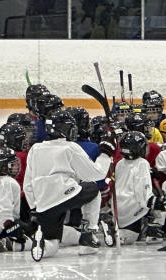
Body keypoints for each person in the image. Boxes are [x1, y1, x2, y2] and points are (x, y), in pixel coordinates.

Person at [24, 110, 115, 261]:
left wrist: (34, 207)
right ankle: (89, 233)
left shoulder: (35, 149)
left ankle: (43, 245)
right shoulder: (70, 147)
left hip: (43, 204)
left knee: (52, 242)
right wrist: (105, 154)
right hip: (66, 193)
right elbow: (95, 174)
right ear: (64, 129)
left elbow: (28, 183)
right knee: (92, 189)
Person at [113, 131, 154, 245]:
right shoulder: (143, 163)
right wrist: (149, 204)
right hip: (132, 207)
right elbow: (143, 190)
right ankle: (154, 231)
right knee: (158, 202)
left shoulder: (120, 163)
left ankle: (116, 230)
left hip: (117, 208)